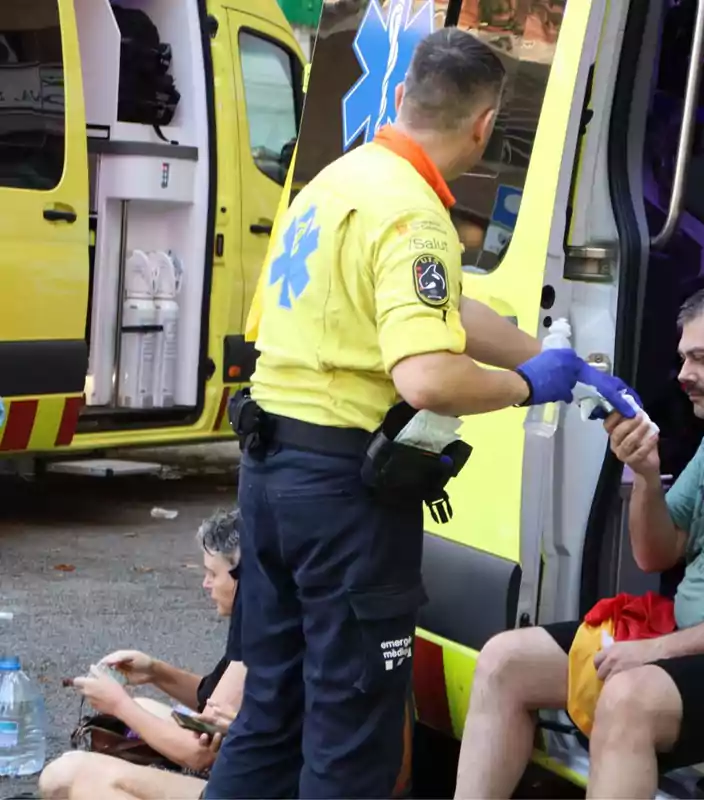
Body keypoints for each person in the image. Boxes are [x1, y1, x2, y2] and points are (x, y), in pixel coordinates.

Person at [203, 27, 637, 800]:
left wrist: (542, 354)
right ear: (484, 125)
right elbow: (428, 376)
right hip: (343, 501)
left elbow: (441, 309)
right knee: (352, 738)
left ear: (402, 96)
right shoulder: (414, 212)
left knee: (271, 715)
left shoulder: (339, 183)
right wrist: (530, 387)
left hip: (271, 476)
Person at [455, 278, 704, 799]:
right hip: (699, 639)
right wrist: (645, 474)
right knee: (505, 661)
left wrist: (657, 651)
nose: (684, 375)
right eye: (684, 358)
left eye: (700, 358)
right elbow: (655, 552)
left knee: (628, 698)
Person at [39, 508, 246, 800]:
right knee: (146, 707)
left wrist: (118, 704)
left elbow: (198, 753)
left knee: (65, 775)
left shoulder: (262, 638)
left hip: (252, 787)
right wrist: (155, 671)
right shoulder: (271, 618)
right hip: (260, 772)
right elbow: (214, 701)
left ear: (243, 577)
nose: (205, 584)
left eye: (213, 573)